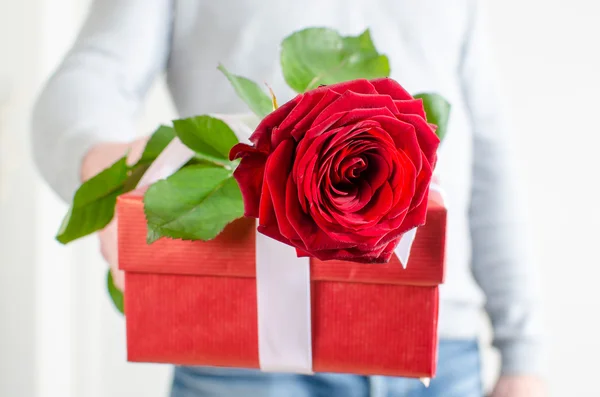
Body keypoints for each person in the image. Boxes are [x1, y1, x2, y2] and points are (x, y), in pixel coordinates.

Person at [31, 1, 547, 396]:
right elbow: (92, 74)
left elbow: (486, 159)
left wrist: (523, 356)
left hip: (441, 354)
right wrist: (103, 164)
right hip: (246, 357)